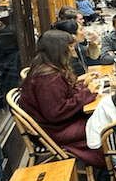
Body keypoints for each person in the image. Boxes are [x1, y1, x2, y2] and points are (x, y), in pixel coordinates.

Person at [18, 29, 105, 169]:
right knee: (105, 126)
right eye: (69, 47)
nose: (72, 50)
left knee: (101, 118)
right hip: (54, 131)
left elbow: (63, 94)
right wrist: (87, 92)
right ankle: (107, 168)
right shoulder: (47, 78)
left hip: (51, 125)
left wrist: (82, 85)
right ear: (58, 49)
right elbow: (56, 112)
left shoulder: (46, 67)